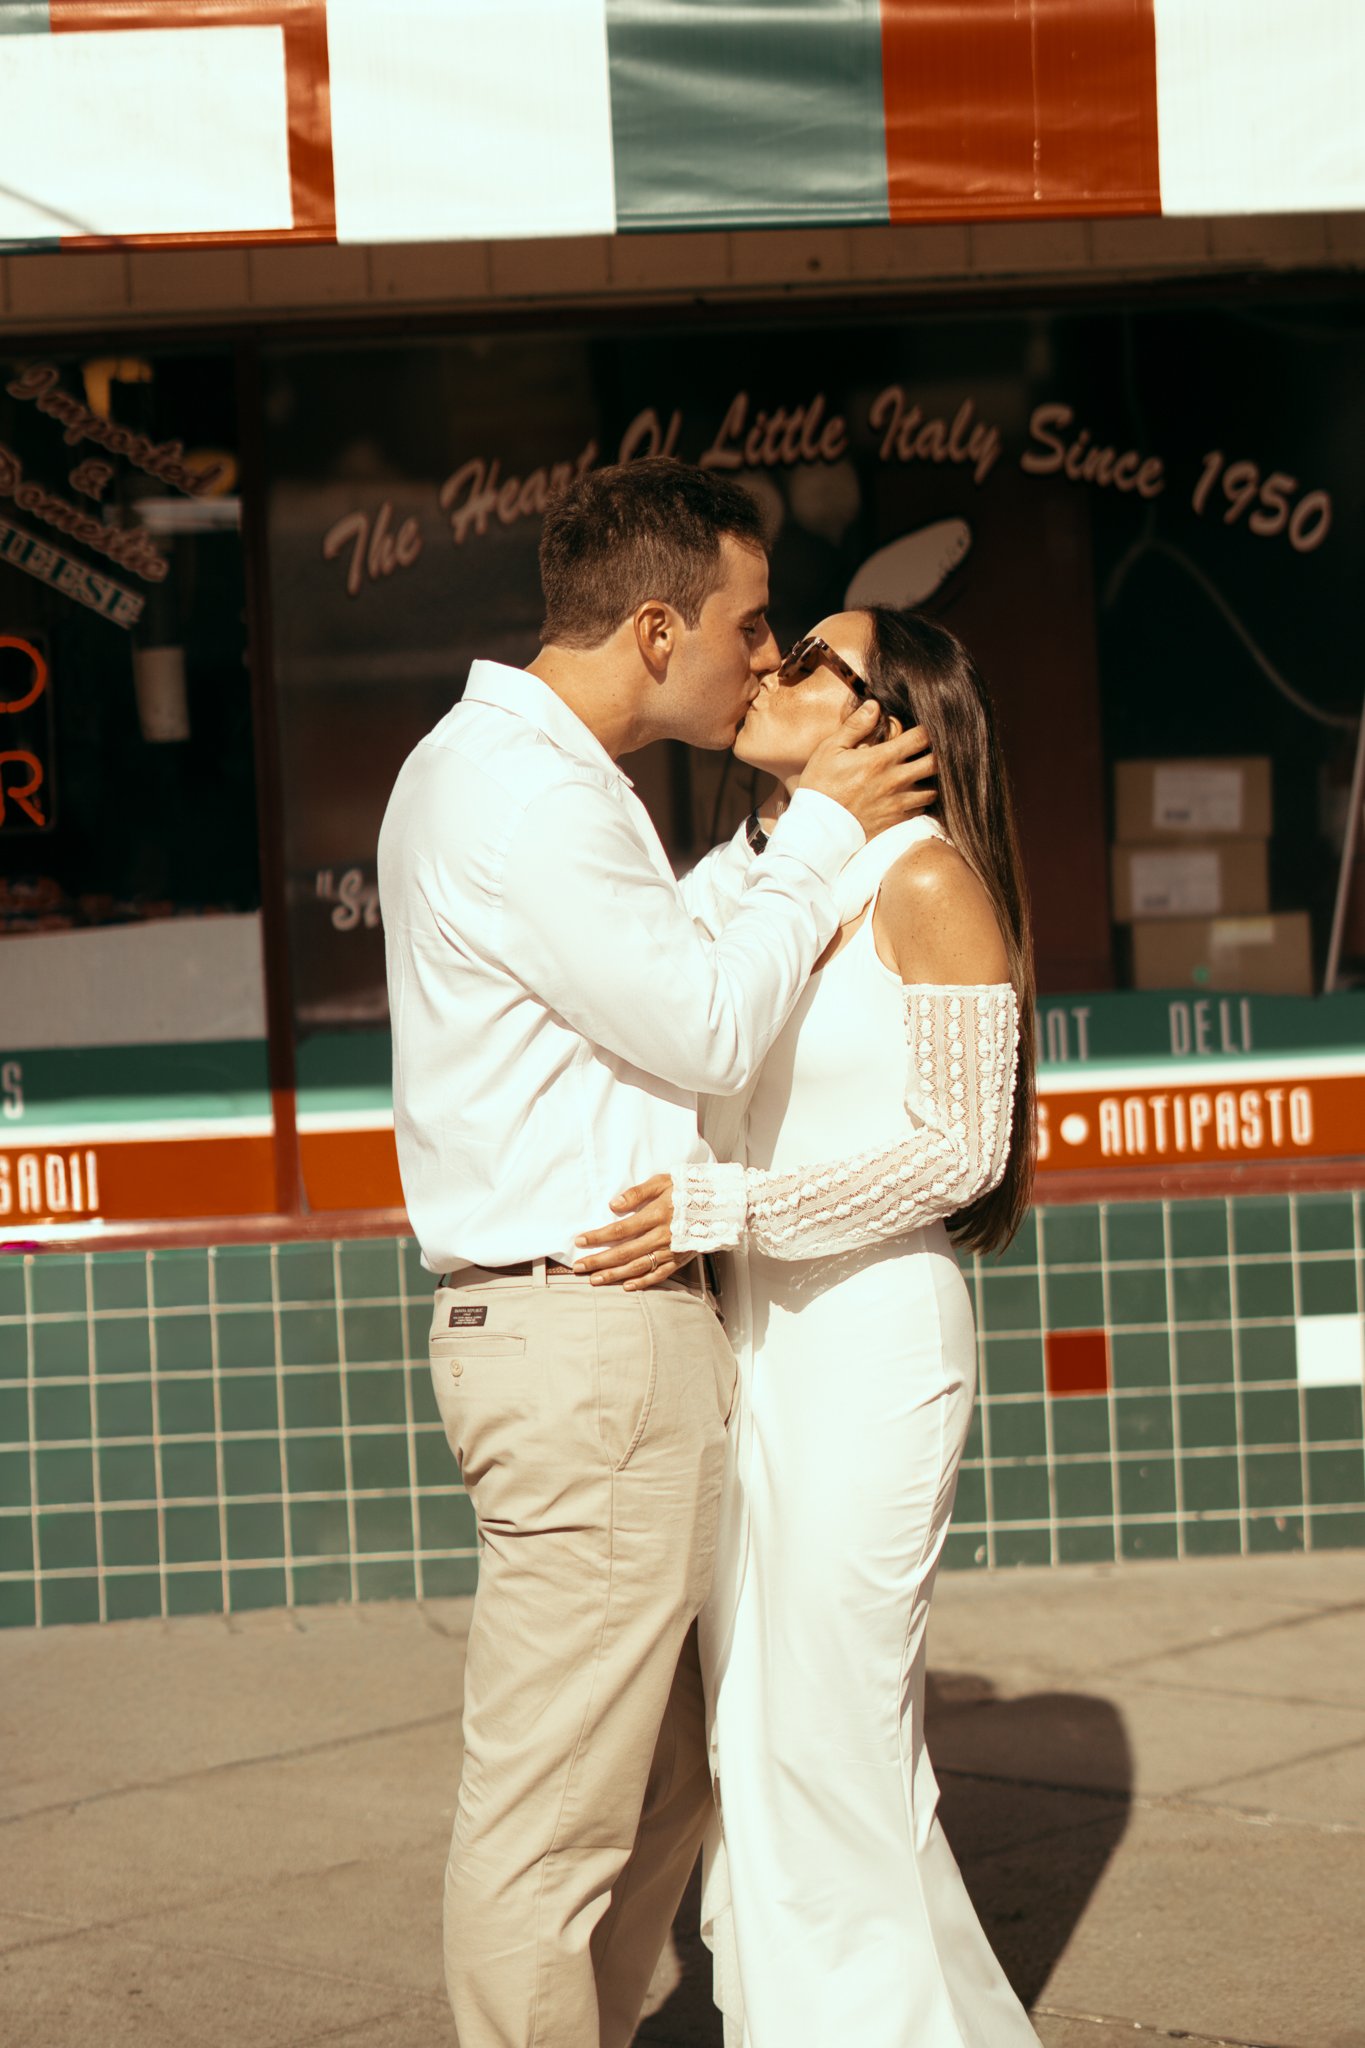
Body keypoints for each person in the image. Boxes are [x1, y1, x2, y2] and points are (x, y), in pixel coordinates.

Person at [376, 462, 937, 2048]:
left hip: (590, 1333)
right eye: (749, 626)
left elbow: (666, 965)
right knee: (552, 1820)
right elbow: (701, 1025)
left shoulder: (518, 773)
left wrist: (787, 845)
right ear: (652, 628)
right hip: (587, 1340)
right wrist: (822, 836)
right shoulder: (532, 797)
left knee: (663, 1783)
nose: (765, 657)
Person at [576, 607, 1040, 2047]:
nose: (767, 669)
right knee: (759, 1738)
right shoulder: (751, 876)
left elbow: (961, 1153)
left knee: (835, 1734)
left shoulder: (928, 879)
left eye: (808, 660)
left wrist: (730, 1210)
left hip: (872, 1348)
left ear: (887, 719)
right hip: (750, 1350)